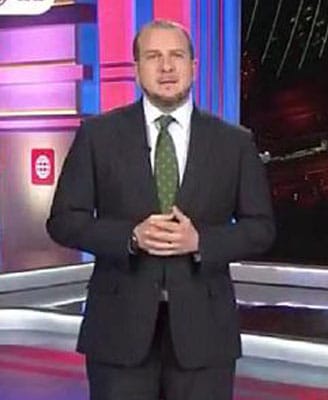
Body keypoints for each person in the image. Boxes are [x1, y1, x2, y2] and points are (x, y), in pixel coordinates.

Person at [46, 20, 275, 400]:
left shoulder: (234, 142)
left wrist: (201, 241)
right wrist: (130, 237)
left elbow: (261, 228)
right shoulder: (98, 136)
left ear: (193, 67)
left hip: (205, 334)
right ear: (137, 69)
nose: (166, 67)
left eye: (176, 56)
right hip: (118, 331)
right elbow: (64, 221)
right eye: (153, 57)